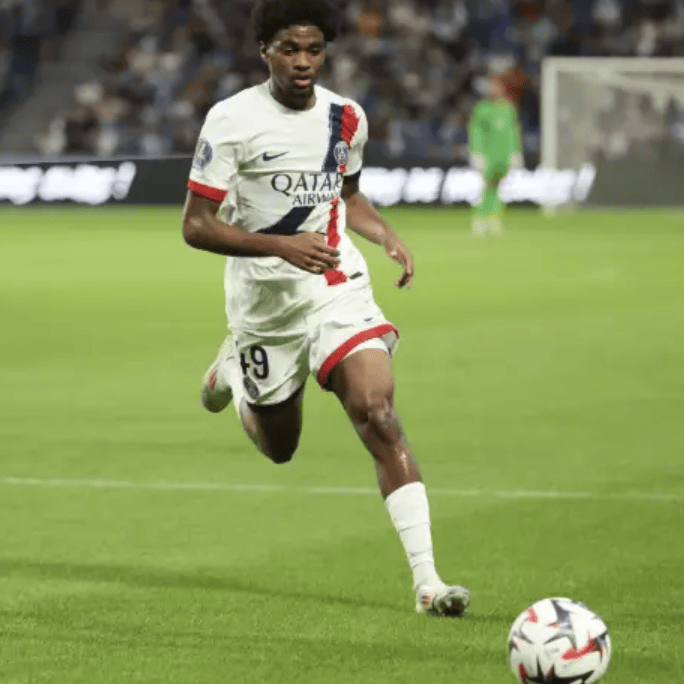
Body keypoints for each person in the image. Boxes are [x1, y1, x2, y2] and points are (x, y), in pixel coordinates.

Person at [182, 0, 470, 618]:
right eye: (289, 49)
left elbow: (349, 195)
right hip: (264, 303)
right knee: (280, 446)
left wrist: (386, 235)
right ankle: (234, 371)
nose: (303, 62)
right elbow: (196, 226)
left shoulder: (347, 117)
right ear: (264, 51)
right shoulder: (231, 120)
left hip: (336, 285)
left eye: (313, 49)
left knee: (377, 412)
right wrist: (280, 245)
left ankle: (428, 582)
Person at [468, 69, 527, 236]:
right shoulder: (481, 109)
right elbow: (476, 132)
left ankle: (494, 219)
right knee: (486, 188)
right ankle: (480, 218)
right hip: (487, 155)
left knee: (498, 189)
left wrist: (516, 153)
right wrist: (476, 153)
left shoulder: (508, 108)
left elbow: (513, 132)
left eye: (497, 86)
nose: (494, 90)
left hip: (503, 155)